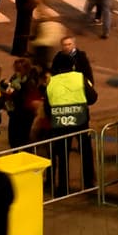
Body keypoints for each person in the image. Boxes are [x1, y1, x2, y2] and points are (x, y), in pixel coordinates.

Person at [45, 45, 98, 196]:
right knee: (85, 152)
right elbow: (93, 97)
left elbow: (47, 106)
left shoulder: (52, 82)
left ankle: (63, 187)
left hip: (60, 123)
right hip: (80, 121)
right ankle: (88, 184)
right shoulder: (80, 78)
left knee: (62, 155)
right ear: (72, 65)